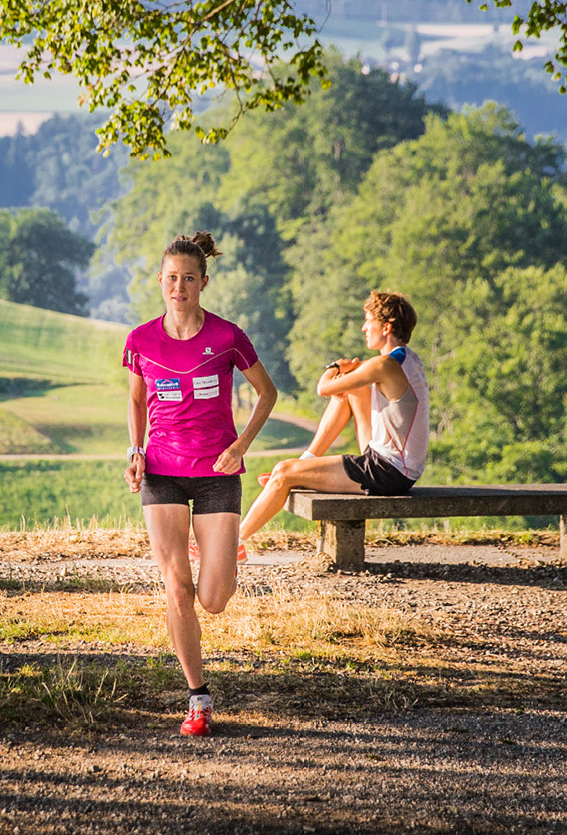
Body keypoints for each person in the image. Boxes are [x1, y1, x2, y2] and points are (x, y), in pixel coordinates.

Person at [123, 231, 277, 737]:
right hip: (163, 473)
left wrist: (241, 447)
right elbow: (138, 401)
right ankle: (198, 698)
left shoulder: (228, 337)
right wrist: (136, 451)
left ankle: (219, 554)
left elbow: (267, 394)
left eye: (188, 278)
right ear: (160, 281)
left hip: (216, 475)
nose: (179, 287)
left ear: (203, 282)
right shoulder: (141, 340)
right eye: (171, 278)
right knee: (177, 588)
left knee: (213, 597)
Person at [238, 291, 428, 544]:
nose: (363, 328)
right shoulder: (405, 358)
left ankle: (234, 544)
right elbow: (349, 384)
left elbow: (324, 387)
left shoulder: (383, 365)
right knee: (353, 389)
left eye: (368, 321)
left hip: (387, 472)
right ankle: (306, 462)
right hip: (398, 465)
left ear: (386, 327)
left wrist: (335, 368)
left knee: (283, 471)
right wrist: (346, 379)